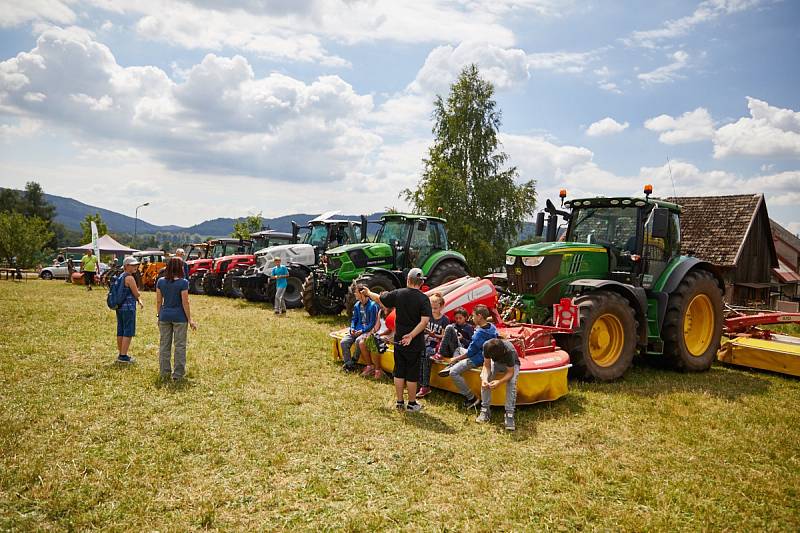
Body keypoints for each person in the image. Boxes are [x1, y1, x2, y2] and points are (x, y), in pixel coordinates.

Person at [361, 268, 431, 413]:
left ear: (408, 280)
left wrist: (368, 293)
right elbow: (424, 322)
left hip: (399, 341)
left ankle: (399, 402)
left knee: (399, 371)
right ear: (421, 282)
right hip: (414, 342)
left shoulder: (398, 294)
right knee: (412, 374)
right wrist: (411, 335)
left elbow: (380, 298)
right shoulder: (424, 299)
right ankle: (412, 404)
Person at [437, 304, 497, 409]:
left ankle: (471, 398)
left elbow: (470, 353)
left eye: (473, 316)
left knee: (453, 373)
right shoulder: (492, 327)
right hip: (485, 355)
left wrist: (455, 359)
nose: (472, 318)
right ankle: (452, 365)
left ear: (479, 316)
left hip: (477, 359)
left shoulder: (479, 334)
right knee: (458, 349)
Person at [156, 257, 198, 381]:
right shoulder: (183, 283)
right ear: (180, 268)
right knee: (180, 346)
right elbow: (185, 302)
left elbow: (159, 301)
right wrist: (190, 319)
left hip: (165, 316)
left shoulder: (161, 282)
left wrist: (159, 315)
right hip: (180, 317)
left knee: (164, 345)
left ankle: (164, 372)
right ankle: (178, 374)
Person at [475, 338, 521, 431]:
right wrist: (484, 379)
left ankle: (509, 414)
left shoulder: (509, 351)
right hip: (496, 364)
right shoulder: (487, 346)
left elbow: (510, 372)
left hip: (512, 365)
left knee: (511, 382)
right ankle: (485, 410)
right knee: (485, 379)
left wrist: (499, 382)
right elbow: (486, 366)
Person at [340, 283, 379, 372]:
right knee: (343, 342)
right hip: (356, 330)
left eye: (356, 292)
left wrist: (362, 330)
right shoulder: (357, 305)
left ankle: (354, 360)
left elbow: (372, 323)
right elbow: (354, 319)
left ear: (361, 293)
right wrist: (352, 328)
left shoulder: (373, 306)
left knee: (358, 341)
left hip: (366, 331)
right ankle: (349, 364)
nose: (355, 294)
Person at [417, 293, 449, 399]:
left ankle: (425, 386)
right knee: (419, 354)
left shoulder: (444, 320)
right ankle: (419, 382)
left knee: (426, 356)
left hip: (436, 345)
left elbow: (444, 337)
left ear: (441, 306)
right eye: (431, 307)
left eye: (435, 308)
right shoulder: (427, 316)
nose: (433, 310)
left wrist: (433, 334)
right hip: (425, 342)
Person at [116, 256, 144, 363]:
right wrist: (138, 295)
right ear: (126, 266)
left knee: (121, 330)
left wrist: (139, 300)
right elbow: (136, 293)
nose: (136, 267)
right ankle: (123, 356)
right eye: (133, 265)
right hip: (129, 308)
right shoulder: (130, 278)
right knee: (128, 331)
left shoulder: (121, 276)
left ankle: (121, 353)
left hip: (120, 307)